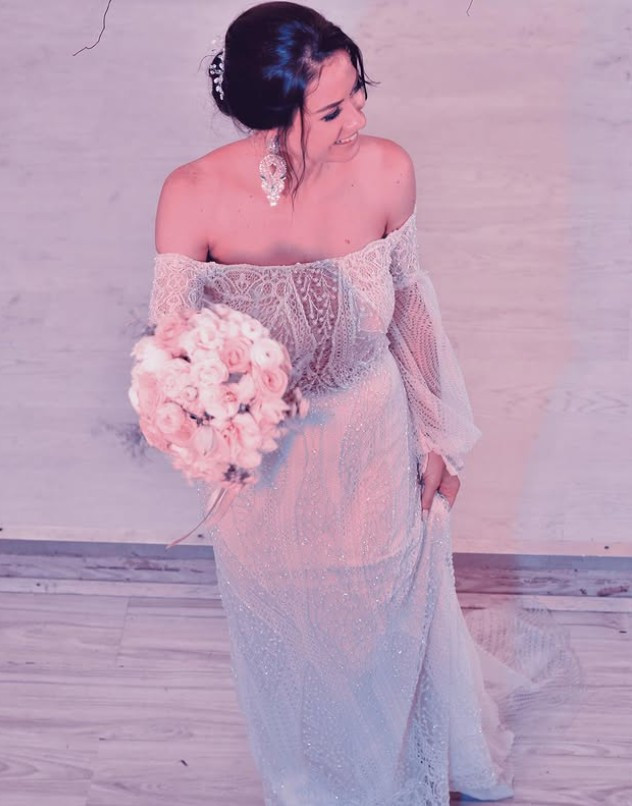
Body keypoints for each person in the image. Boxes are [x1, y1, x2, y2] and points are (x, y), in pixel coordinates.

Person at [146, 3, 581, 803]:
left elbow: (410, 305)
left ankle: (397, 778)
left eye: (360, 93)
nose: (359, 120)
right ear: (272, 115)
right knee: (289, 627)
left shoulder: (386, 170)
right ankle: (312, 780)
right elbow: (170, 344)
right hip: (264, 464)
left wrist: (437, 436)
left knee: (384, 621)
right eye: (332, 111)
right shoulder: (192, 193)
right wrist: (215, 419)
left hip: (371, 432)